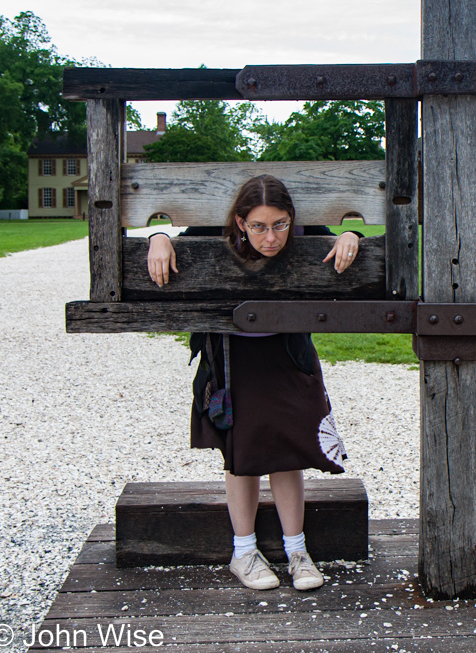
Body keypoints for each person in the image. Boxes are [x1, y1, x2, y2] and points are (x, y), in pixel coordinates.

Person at [146, 174, 361, 591]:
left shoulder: (303, 231)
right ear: (241, 222)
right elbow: (172, 236)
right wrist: (157, 235)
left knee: (290, 449)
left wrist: (351, 232)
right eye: (259, 226)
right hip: (233, 356)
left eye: (280, 224)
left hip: (287, 353)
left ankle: (297, 550)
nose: (271, 237)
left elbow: (337, 239)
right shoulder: (211, 232)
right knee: (240, 451)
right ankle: (243, 552)